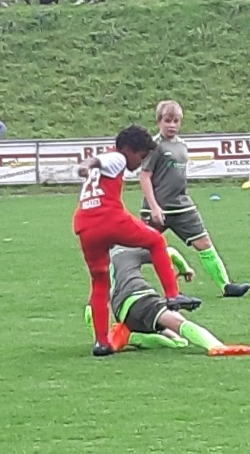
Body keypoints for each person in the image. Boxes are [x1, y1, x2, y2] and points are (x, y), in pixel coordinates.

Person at [74, 124, 198, 357]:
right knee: (155, 241)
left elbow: (97, 164)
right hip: (108, 218)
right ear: (129, 149)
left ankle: (101, 342)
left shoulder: (110, 158)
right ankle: (173, 295)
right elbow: (97, 161)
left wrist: (87, 167)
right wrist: (85, 165)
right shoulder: (118, 157)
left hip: (85, 226)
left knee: (100, 282)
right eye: (140, 156)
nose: (140, 163)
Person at [138, 100, 250, 298]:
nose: (172, 125)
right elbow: (144, 176)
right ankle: (122, 287)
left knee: (204, 243)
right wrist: (154, 207)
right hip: (157, 209)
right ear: (159, 121)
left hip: (182, 207)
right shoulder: (154, 147)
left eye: (176, 121)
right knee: (137, 250)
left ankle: (226, 286)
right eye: (167, 121)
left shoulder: (182, 145)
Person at [84, 245, 250, 357]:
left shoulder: (98, 262)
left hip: (122, 313)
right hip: (140, 299)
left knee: (179, 342)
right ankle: (215, 346)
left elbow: (92, 308)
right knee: (179, 322)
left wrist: (99, 337)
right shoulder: (128, 250)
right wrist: (185, 269)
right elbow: (169, 252)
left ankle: (131, 336)